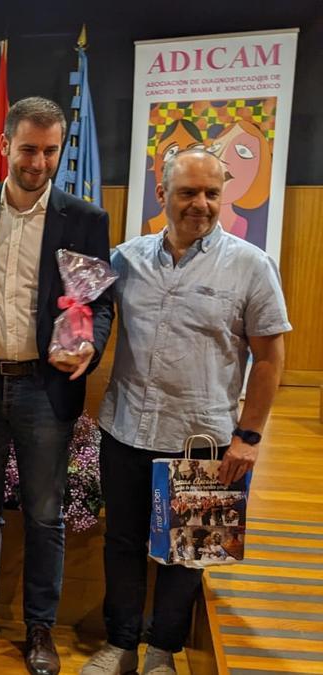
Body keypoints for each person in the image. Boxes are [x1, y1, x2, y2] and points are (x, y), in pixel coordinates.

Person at [81, 149, 289, 675]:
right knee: (123, 543)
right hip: (126, 428)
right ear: (162, 195)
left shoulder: (251, 265)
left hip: (203, 438)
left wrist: (249, 437)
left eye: (212, 193)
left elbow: (269, 359)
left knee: (191, 551)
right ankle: (121, 644)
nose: (201, 204)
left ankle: (163, 651)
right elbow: (82, 318)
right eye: (188, 192)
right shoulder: (124, 260)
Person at [0, 97, 114, 675]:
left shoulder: (84, 218)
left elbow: (94, 302)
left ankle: (40, 629)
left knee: (44, 514)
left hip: (46, 387)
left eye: (50, 151)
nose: (39, 162)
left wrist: (88, 344)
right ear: (5, 147)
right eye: (28, 149)